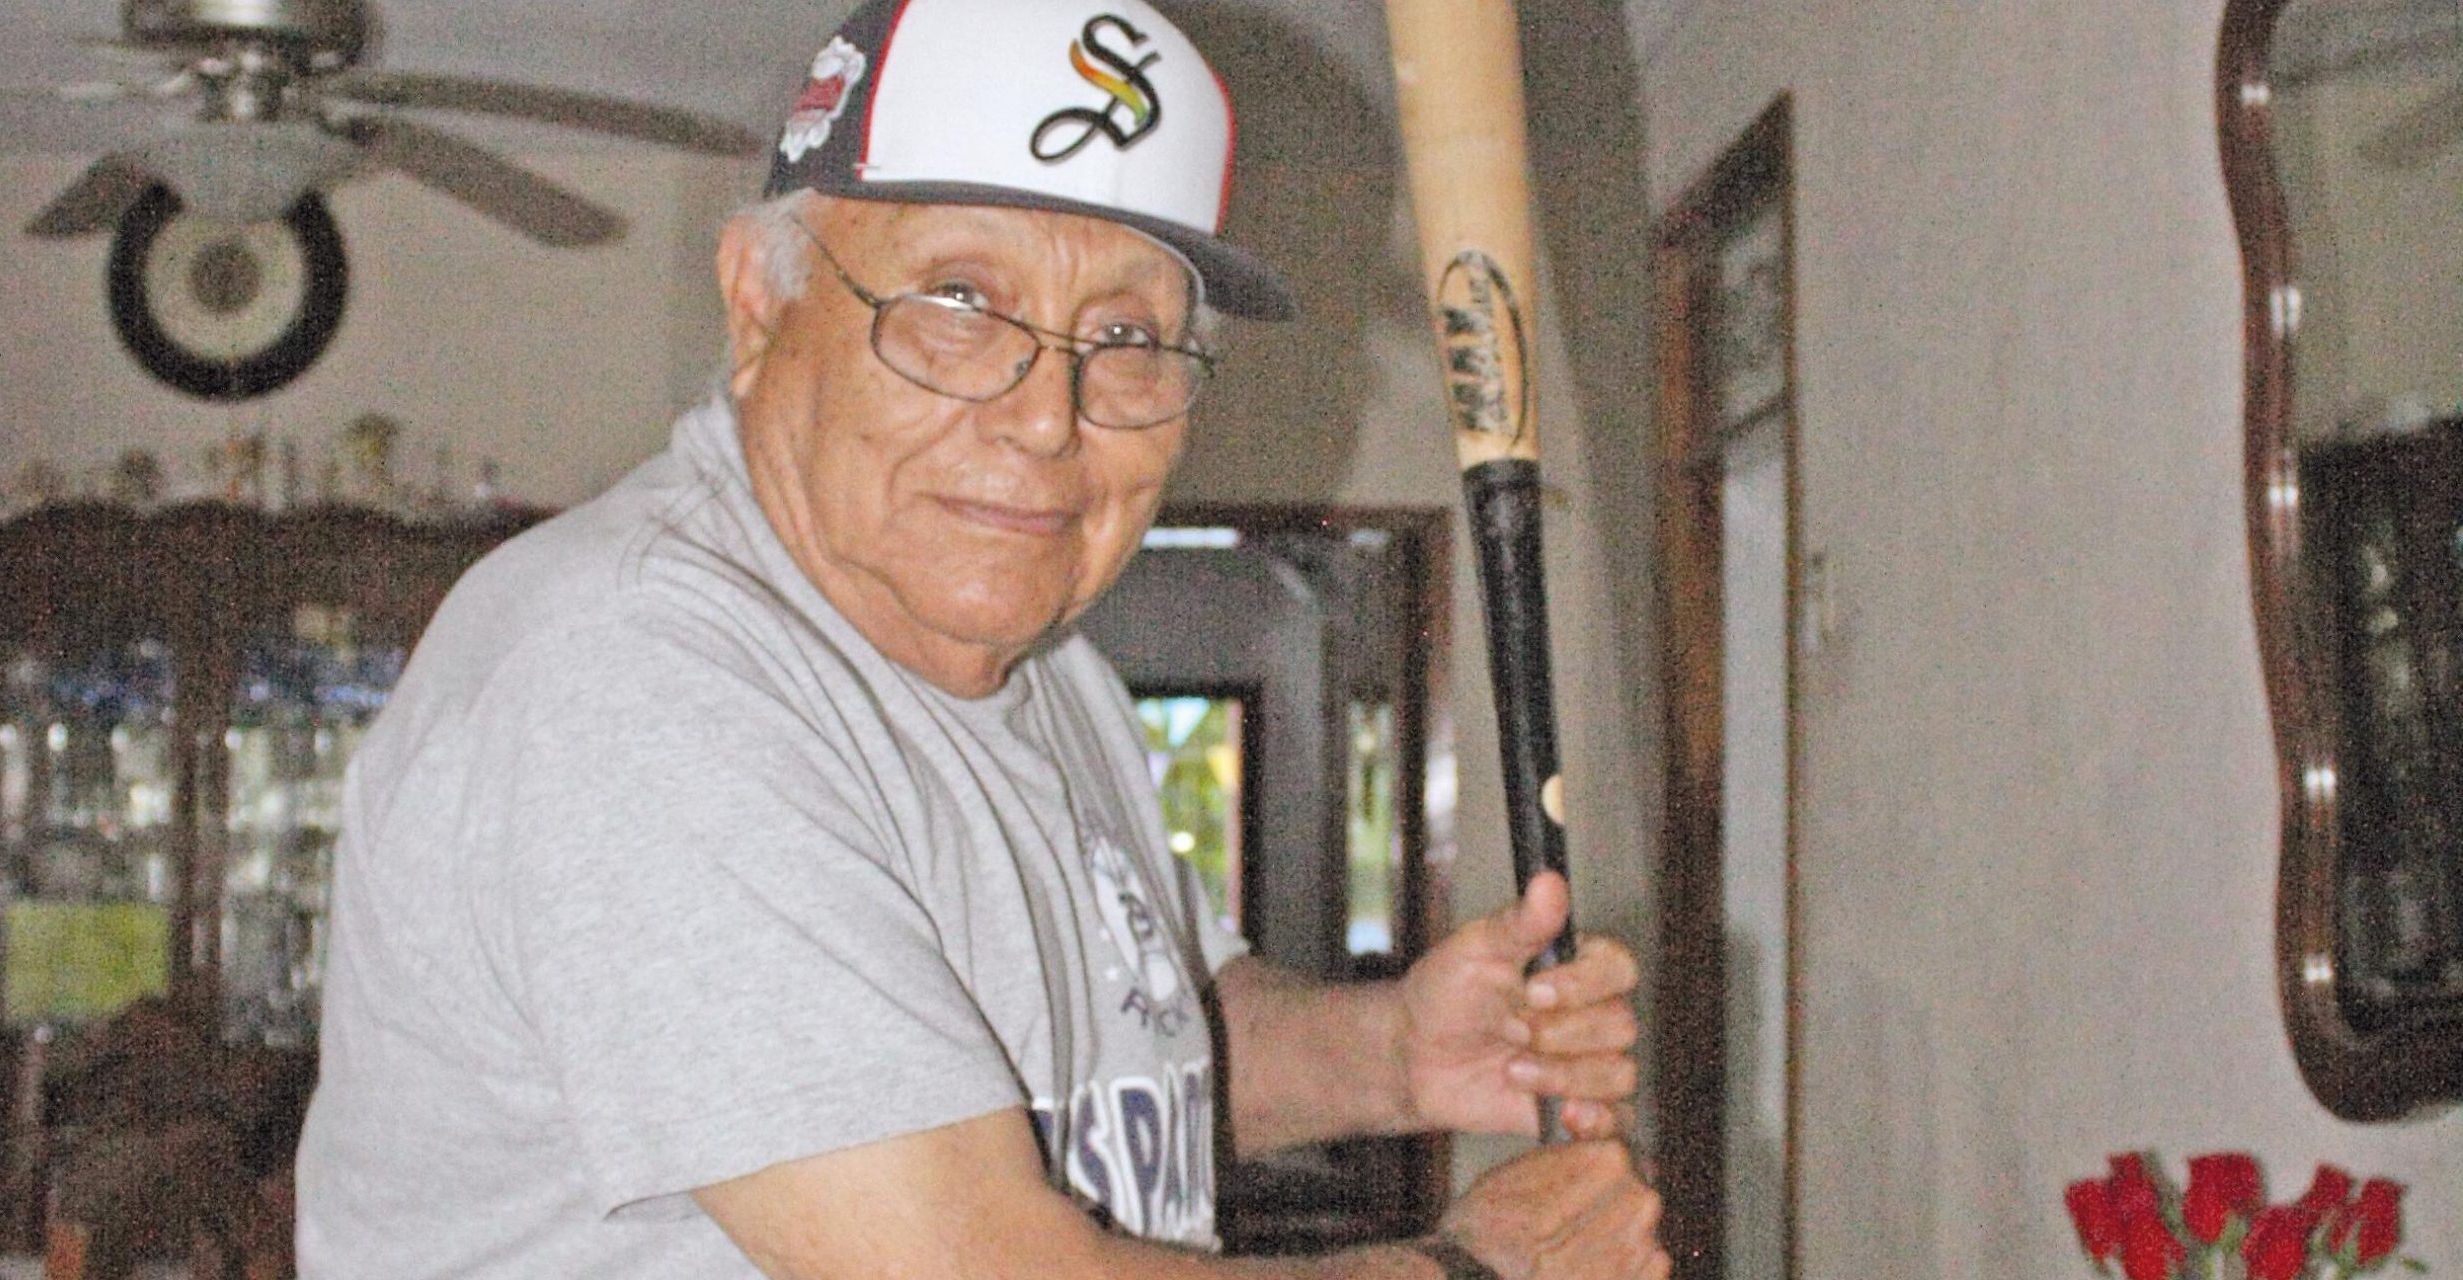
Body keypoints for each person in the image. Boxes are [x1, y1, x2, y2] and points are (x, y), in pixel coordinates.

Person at [295, 0, 1667, 1277]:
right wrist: (1475, 1272)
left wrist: (1389, 1055)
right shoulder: (630, 672)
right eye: (959, 301)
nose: (1047, 419)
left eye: (1126, 332)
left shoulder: (1042, 670)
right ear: (760, 308)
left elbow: (1129, 1039)